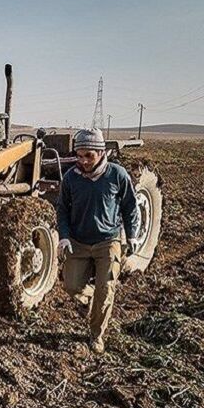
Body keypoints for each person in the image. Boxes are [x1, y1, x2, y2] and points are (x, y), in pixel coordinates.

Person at [57, 128, 140, 353]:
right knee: (71, 286)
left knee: (106, 288)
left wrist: (131, 235)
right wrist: (64, 237)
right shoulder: (71, 178)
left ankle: (96, 336)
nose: (83, 161)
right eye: (80, 155)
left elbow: (130, 206)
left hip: (108, 241)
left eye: (89, 156)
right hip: (78, 241)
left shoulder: (117, 175)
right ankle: (92, 299)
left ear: (101, 153)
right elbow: (62, 209)